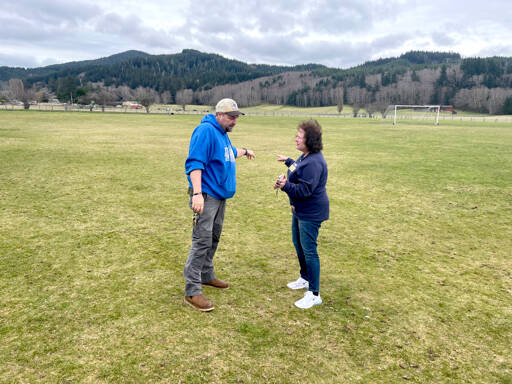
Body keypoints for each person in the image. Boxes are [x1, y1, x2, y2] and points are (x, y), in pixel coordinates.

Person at [184, 98, 255, 311]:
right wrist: (197, 193)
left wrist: (244, 150)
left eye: (236, 117)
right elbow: (195, 163)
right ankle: (192, 291)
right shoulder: (205, 131)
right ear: (219, 115)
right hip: (206, 196)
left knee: (213, 237)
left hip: (220, 197)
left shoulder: (222, 135)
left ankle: (206, 275)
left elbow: (229, 152)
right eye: (231, 117)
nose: (234, 121)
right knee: (202, 241)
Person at [275, 120, 329, 309]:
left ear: (310, 140)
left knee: (309, 250)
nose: (295, 139)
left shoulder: (314, 162)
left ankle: (314, 294)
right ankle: (305, 278)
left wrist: (285, 186)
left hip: (311, 212)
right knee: (298, 244)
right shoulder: (305, 156)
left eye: (299, 136)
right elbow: (297, 168)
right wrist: (288, 161)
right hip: (299, 211)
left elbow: (305, 190)